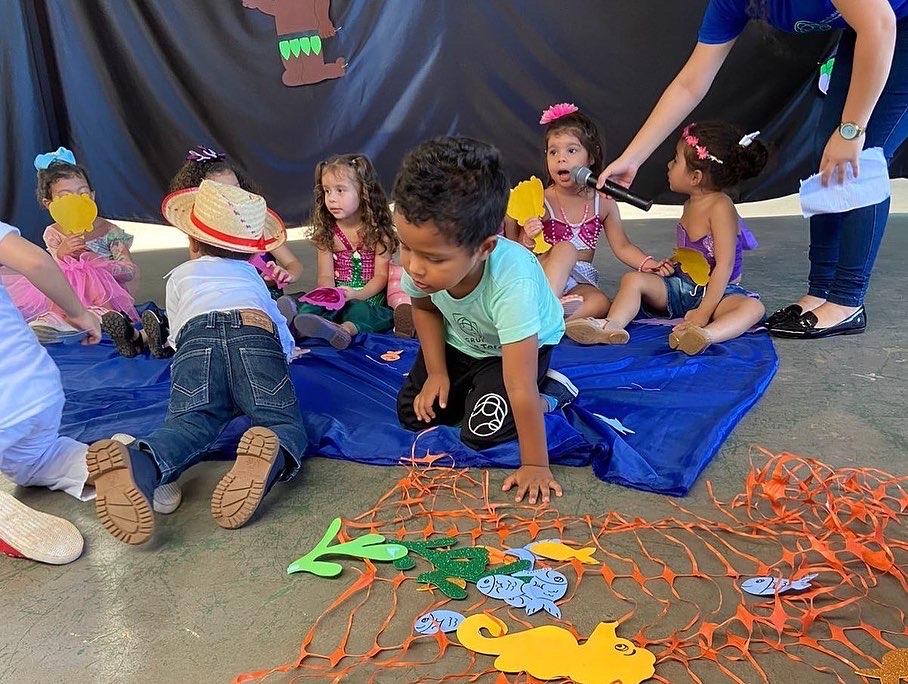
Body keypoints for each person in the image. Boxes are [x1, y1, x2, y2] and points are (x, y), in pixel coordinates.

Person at [598, 0, 908, 339]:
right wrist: (633, 157)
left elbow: (879, 25)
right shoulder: (730, 2)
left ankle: (848, 301)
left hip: (891, 26)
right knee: (828, 155)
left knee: (861, 161)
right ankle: (821, 289)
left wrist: (852, 129)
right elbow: (691, 83)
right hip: (872, 26)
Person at [85, 180, 306, 545]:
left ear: (191, 242)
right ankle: (271, 454)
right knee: (282, 420)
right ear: (248, 251)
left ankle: (142, 464)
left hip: (197, 340)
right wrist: (286, 352)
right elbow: (278, 326)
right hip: (254, 333)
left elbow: (176, 334)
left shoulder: (180, 276)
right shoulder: (251, 275)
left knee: (190, 424)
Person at [393, 137, 580, 505]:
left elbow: (518, 383)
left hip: (516, 352)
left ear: (484, 248)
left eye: (433, 257)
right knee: (413, 414)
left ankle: (553, 393)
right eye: (406, 246)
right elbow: (426, 308)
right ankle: (471, 386)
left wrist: (535, 465)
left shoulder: (513, 283)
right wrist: (437, 373)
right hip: (462, 342)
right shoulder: (421, 266)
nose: (414, 267)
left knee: (481, 433)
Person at [568, 122, 767, 354]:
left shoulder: (721, 206)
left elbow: (725, 264)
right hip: (684, 287)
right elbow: (694, 255)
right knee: (633, 280)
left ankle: (705, 335)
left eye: (676, 159)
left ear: (695, 177)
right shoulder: (690, 204)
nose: (669, 165)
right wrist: (670, 266)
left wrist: (703, 313)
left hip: (719, 293)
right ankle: (611, 326)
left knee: (753, 308)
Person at [505, 104, 668, 320]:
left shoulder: (604, 202)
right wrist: (527, 238)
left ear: (591, 157)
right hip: (542, 276)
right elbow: (512, 251)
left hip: (579, 282)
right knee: (565, 249)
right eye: (553, 152)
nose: (561, 158)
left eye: (571, 151)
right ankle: (547, 306)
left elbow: (622, 245)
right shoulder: (539, 198)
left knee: (600, 303)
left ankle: (551, 323)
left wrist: (647, 264)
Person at [1, 148, 139, 336]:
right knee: (63, 277)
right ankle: (55, 320)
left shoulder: (110, 232)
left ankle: (103, 316)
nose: (75, 202)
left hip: (103, 295)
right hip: (67, 297)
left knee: (89, 275)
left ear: (92, 196)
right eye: (65, 197)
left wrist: (98, 264)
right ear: (49, 204)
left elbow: (128, 271)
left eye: (82, 194)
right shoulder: (53, 233)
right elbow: (50, 273)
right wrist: (60, 254)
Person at [278, 154, 397, 349]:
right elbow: (325, 276)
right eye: (326, 191)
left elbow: (381, 276)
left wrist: (357, 294)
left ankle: (343, 331)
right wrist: (331, 295)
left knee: (362, 313)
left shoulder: (378, 233)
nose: (331, 199)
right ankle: (296, 321)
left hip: (367, 297)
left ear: (364, 192)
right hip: (337, 294)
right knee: (314, 305)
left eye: (340, 190)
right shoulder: (328, 233)